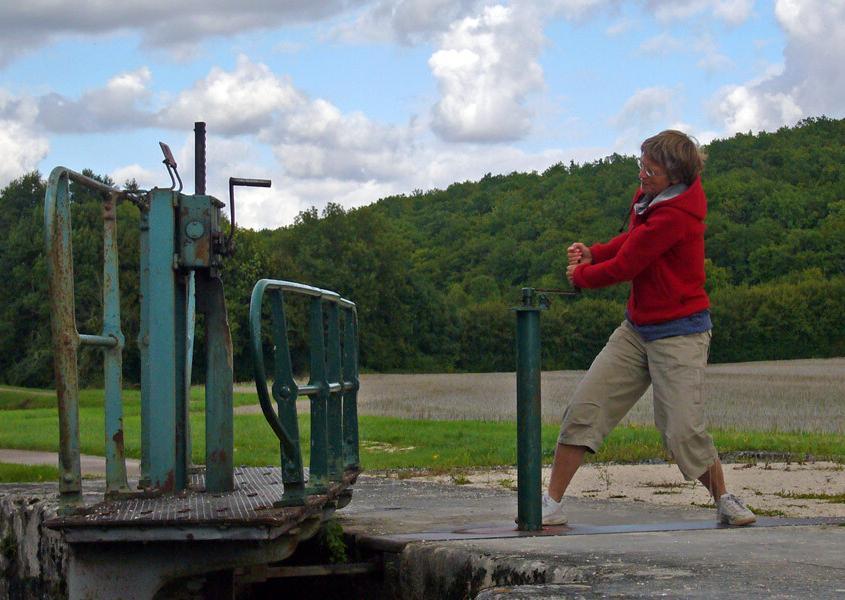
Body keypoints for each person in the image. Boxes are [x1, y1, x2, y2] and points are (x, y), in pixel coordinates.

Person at [543, 130, 756, 527]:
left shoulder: (676, 215)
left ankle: (725, 499)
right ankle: (550, 504)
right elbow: (630, 242)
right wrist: (595, 252)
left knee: (680, 431)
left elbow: (628, 265)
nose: (642, 176)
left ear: (674, 177)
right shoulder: (651, 200)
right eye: (641, 166)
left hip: (680, 332)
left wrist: (582, 276)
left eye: (651, 171)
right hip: (638, 328)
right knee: (585, 408)